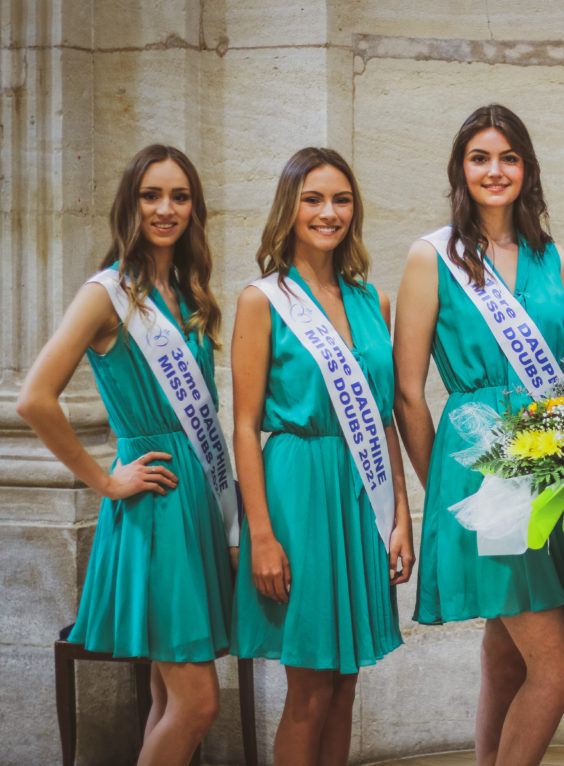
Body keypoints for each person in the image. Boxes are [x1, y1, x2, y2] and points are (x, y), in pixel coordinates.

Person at [17, 145, 233, 765]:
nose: (166, 209)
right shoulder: (106, 293)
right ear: (129, 204)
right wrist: (105, 483)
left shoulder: (187, 290)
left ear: (195, 208)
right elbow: (34, 399)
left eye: (180, 196)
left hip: (191, 498)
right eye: (151, 195)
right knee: (197, 705)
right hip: (153, 503)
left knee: (170, 700)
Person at [394, 104, 564, 766]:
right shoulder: (432, 256)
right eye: (480, 157)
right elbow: (407, 392)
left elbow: (557, 378)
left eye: (508, 157)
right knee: (560, 667)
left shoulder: (554, 258)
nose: (494, 170)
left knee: (509, 659)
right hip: (481, 472)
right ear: (460, 169)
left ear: (527, 169)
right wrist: (447, 485)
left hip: (546, 468)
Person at [231, 147, 413, 766]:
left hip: (362, 492)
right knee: (308, 685)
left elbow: (383, 418)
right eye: (313, 199)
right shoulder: (262, 300)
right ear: (290, 207)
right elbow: (246, 426)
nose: (328, 213)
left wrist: (401, 517)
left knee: (345, 681)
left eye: (340, 199)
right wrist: (259, 534)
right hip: (297, 493)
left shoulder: (371, 301)